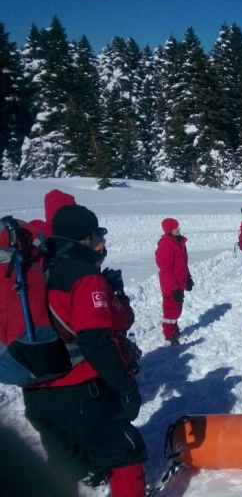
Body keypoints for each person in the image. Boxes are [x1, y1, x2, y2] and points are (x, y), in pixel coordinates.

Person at [23, 204, 148, 497]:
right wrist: (125, 386)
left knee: (64, 465)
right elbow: (95, 341)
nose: (100, 239)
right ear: (86, 236)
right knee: (126, 452)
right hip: (79, 389)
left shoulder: (37, 269)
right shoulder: (83, 275)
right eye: (98, 233)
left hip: (36, 390)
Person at [155, 217, 193, 344]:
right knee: (171, 311)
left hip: (179, 283)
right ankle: (169, 335)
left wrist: (188, 278)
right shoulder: (166, 245)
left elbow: (183, 264)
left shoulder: (179, 242)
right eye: (175, 227)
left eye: (178, 226)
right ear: (169, 230)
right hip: (170, 285)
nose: (178, 229)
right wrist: (174, 287)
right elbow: (166, 269)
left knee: (177, 309)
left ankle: (175, 330)